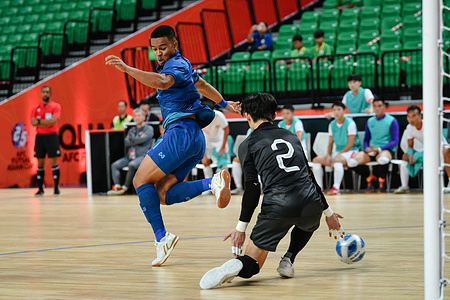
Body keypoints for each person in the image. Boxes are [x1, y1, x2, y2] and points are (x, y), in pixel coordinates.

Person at [105, 25, 240, 267]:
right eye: (154, 49)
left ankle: (162, 238)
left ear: (175, 45)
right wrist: (222, 103)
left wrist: (127, 69)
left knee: (139, 181)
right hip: (195, 139)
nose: (159, 53)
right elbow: (201, 85)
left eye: (163, 47)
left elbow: (163, 81)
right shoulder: (184, 65)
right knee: (162, 194)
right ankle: (212, 182)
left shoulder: (174, 66)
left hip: (180, 134)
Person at [199, 93, 344, 290]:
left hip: (279, 206)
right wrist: (329, 213)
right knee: (308, 224)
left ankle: (235, 265)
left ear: (248, 116)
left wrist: (240, 229)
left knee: (252, 267)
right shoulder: (292, 136)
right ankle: (288, 259)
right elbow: (310, 177)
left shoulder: (247, 144)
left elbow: (252, 188)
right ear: (275, 115)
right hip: (311, 203)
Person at [351, 99, 400, 193]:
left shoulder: (392, 121)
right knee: (351, 162)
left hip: (385, 150)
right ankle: (370, 178)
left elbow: (395, 141)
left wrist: (380, 149)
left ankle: (382, 181)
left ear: (384, 107)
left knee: (383, 160)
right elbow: (366, 139)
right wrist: (367, 148)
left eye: (380, 106)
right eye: (375, 106)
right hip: (371, 151)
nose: (377, 108)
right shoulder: (370, 121)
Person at [312, 102, 360, 195]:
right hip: (338, 151)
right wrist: (328, 155)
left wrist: (338, 154)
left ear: (344, 111)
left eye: (339, 110)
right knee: (316, 160)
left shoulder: (350, 123)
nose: (336, 112)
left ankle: (336, 188)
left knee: (337, 161)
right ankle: (319, 188)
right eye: (334, 110)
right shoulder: (332, 124)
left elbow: (351, 143)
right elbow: (330, 143)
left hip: (352, 150)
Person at [107, 108, 153, 196]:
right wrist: (138, 139)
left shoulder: (148, 128)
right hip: (130, 157)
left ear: (144, 117)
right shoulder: (132, 130)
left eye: (139, 115)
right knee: (114, 165)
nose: (137, 118)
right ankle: (117, 187)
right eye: (135, 116)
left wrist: (134, 139)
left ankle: (125, 187)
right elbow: (126, 142)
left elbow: (144, 139)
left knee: (132, 165)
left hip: (142, 157)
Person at [30, 85, 62, 196]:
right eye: (43, 92)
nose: (45, 94)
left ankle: (56, 188)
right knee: (40, 163)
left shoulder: (55, 106)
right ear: (41, 93)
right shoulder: (35, 107)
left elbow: (53, 121)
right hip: (40, 137)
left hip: (51, 136)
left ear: (50, 93)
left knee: (53, 162)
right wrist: (45, 122)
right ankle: (40, 189)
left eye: (47, 92)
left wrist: (39, 122)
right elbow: (32, 122)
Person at [394, 106, 423, 194]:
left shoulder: (428, 125)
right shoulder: (409, 127)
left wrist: (415, 156)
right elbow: (410, 145)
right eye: (409, 117)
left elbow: (432, 145)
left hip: (437, 150)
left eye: (414, 116)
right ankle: (404, 186)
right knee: (405, 156)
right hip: (423, 152)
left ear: (420, 116)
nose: (411, 119)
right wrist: (410, 155)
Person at [201, 108, 230, 179]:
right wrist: (203, 155)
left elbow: (226, 130)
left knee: (223, 163)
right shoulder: (199, 117)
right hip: (206, 140)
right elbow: (198, 136)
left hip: (219, 139)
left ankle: (222, 185)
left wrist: (223, 147)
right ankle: (208, 185)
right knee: (205, 162)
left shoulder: (219, 116)